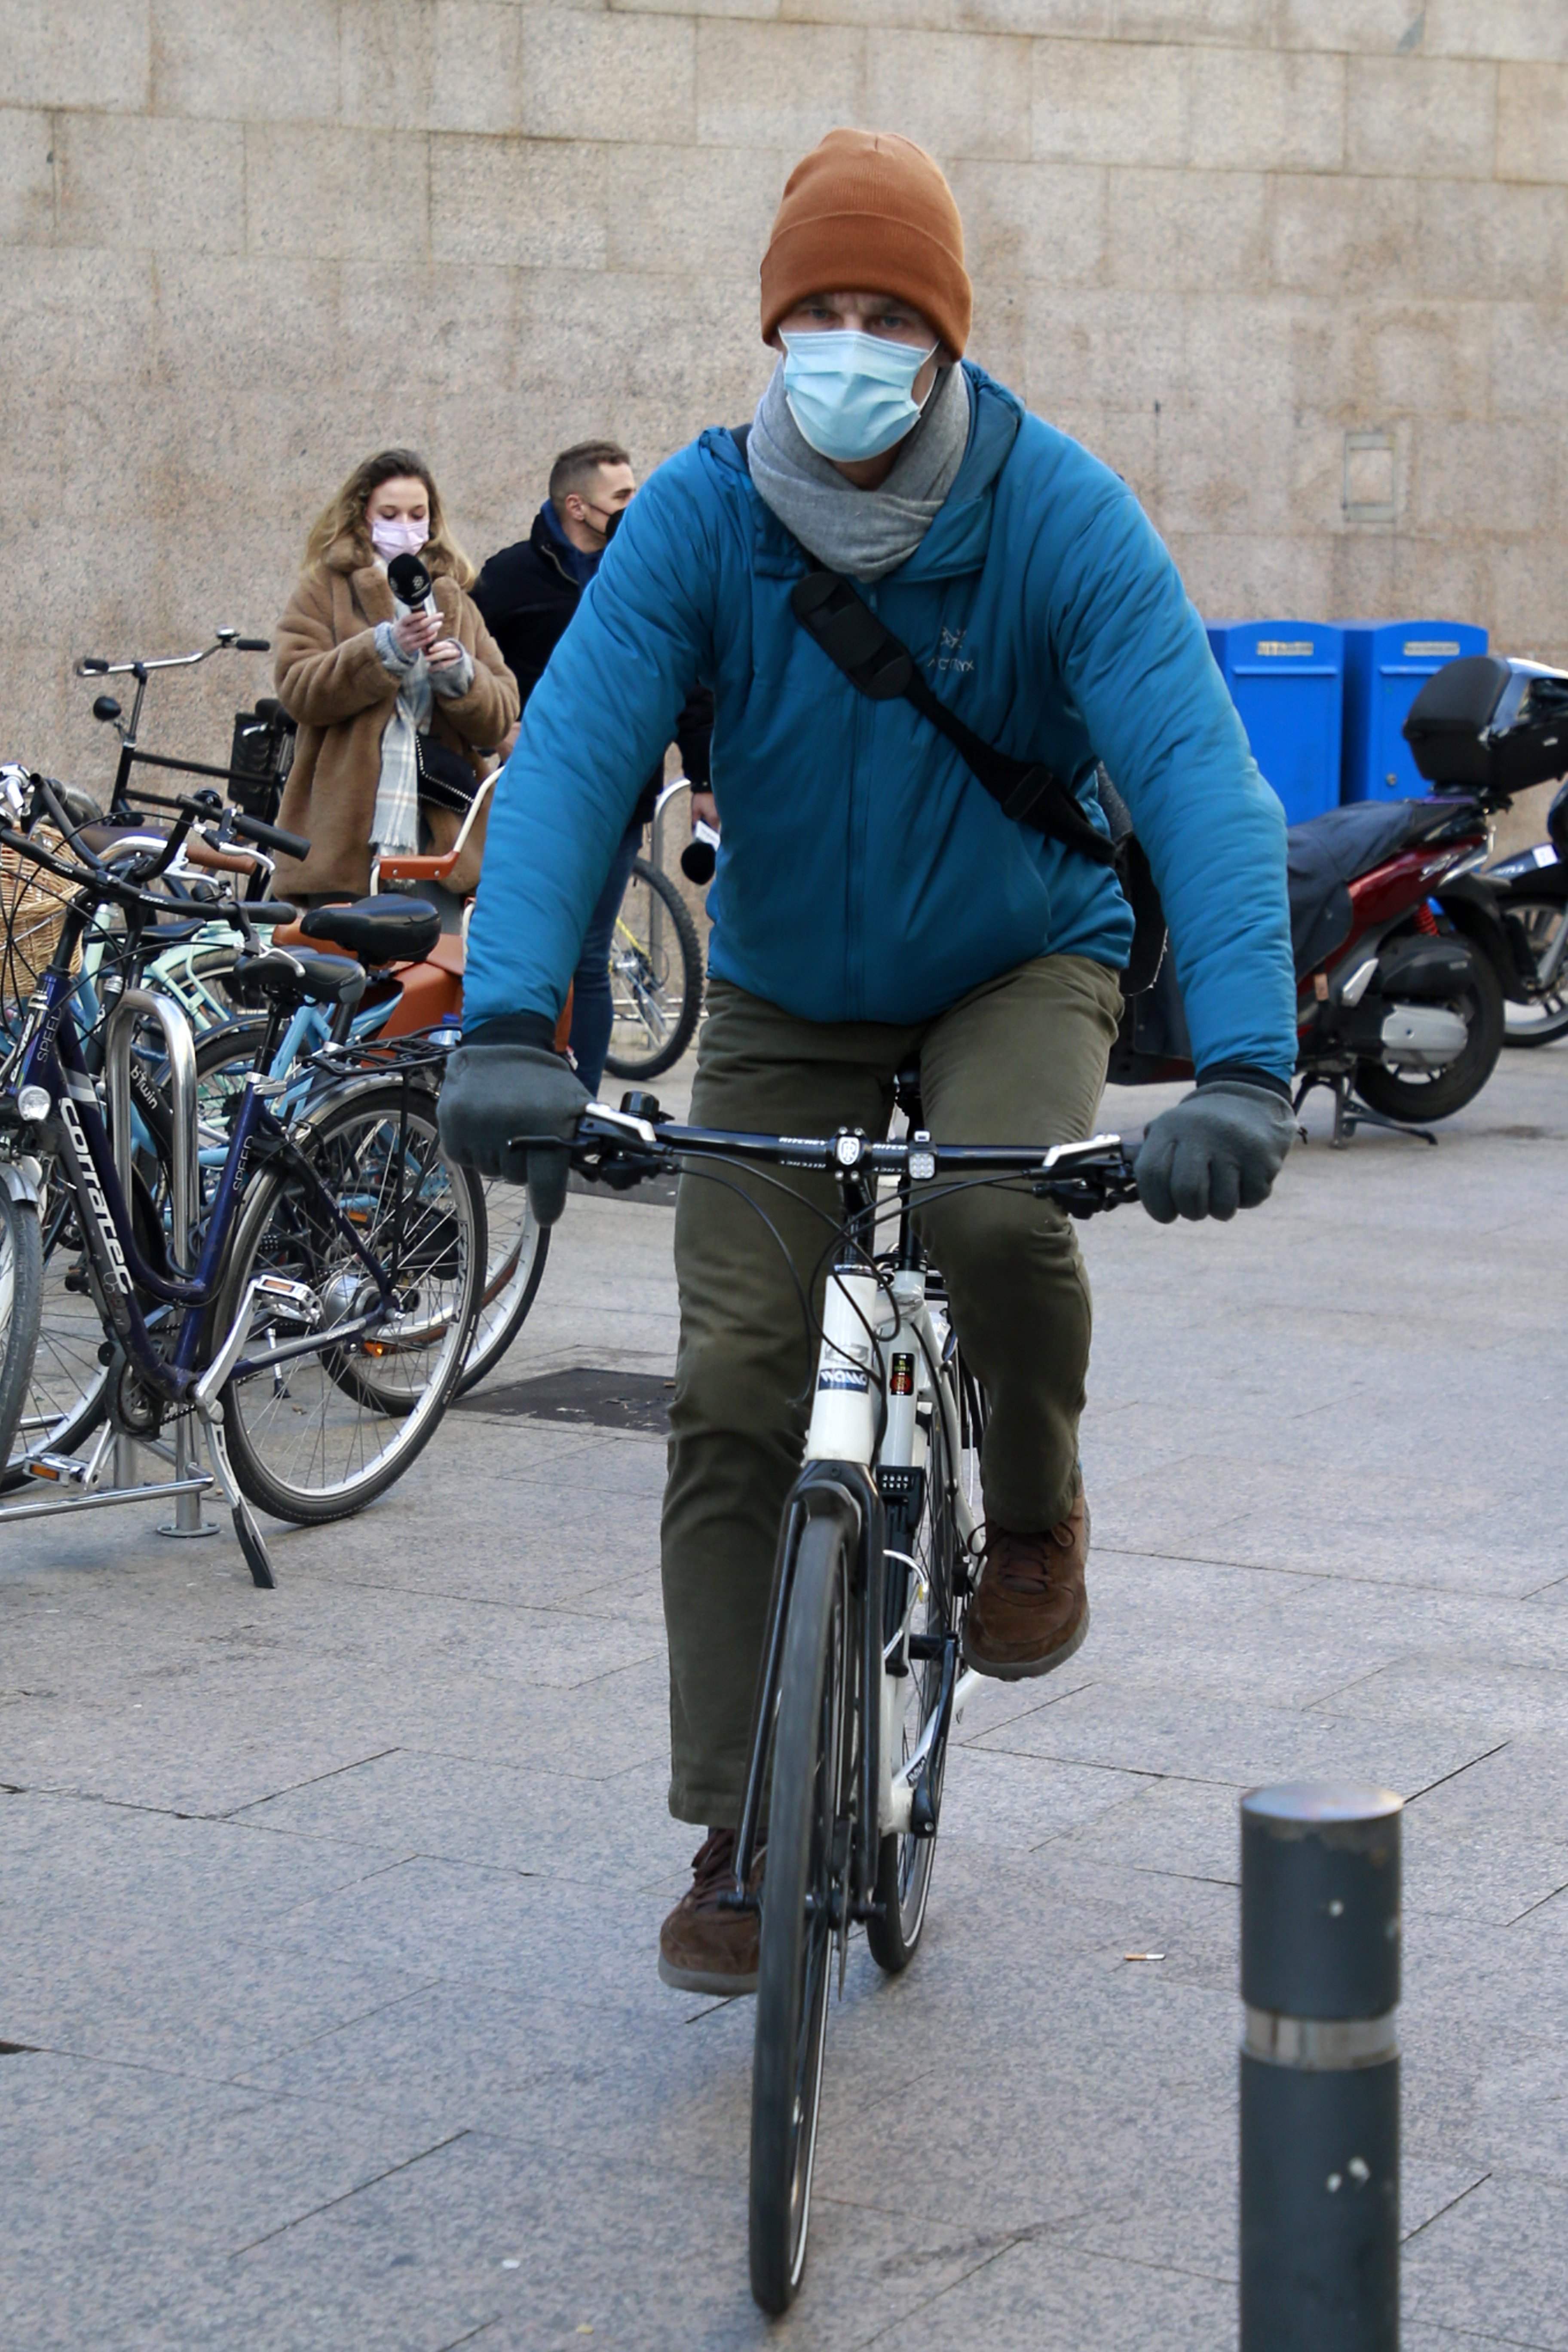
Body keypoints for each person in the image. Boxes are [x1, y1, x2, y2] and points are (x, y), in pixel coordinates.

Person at [440, 132, 1297, 1995]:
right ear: (770, 325)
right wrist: (512, 1019)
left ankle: (1038, 1504)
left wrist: (1241, 1059)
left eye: (885, 315)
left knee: (999, 1216)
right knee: (735, 1371)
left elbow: (1194, 773)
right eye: (814, 312)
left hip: (1015, 953)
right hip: (787, 986)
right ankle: (741, 1815)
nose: (845, 344)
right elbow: (581, 751)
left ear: (943, 333)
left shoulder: (1056, 508)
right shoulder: (696, 517)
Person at [472, 441, 715, 1093]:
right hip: (537, 798)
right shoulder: (510, 578)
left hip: (622, 800)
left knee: (586, 954)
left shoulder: (642, 575)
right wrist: (498, 731)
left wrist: (705, 779)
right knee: (528, 951)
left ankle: (578, 1106)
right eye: (621, 496)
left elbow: (690, 681)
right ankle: (520, 1085)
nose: (634, 505)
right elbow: (467, 670)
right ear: (576, 506)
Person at [271, 448, 518, 907]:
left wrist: (460, 675)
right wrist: (383, 651)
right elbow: (297, 688)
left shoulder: (454, 598)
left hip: (440, 833)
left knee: (433, 972)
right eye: (390, 514)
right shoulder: (325, 587)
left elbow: (501, 713)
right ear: (363, 516)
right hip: (343, 835)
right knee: (342, 972)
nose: (405, 526)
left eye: (417, 514)